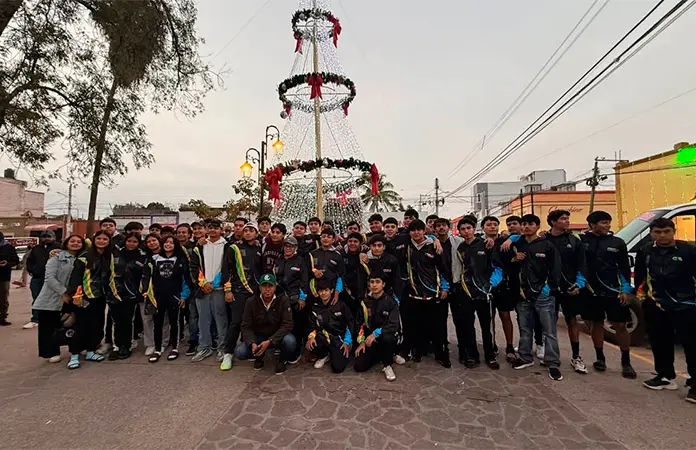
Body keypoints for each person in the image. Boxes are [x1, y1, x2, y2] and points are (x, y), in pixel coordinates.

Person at [635, 217, 696, 403]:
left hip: (686, 305)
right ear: (651, 233)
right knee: (660, 342)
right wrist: (643, 299)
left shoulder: (688, 250)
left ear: (673, 232)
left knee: (691, 345)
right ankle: (665, 376)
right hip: (656, 305)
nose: (662, 236)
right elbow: (641, 277)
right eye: (657, 232)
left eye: (666, 232)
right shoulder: (645, 251)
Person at [581, 210, 636, 378]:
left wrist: (625, 290)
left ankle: (626, 362)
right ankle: (600, 358)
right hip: (591, 291)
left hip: (614, 291)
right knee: (596, 324)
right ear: (592, 225)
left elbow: (624, 268)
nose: (607, 226)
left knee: (620, 326)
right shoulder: (582, 241)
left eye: (608, 222)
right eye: (603, 222)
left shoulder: (617, 243)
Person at [510, 214, 563, 381]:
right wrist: (514, 259)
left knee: (549, 331)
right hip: (522, 295)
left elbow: (556, 269)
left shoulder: (547, 245)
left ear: (538, 226)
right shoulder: (516, 244)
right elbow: (507, 266)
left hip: (543, 295)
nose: (526, 227)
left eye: (531, 224)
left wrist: (548, 288)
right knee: (525, 329)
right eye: (524, 224)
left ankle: (552, 362)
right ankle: (525, 357)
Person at [66, 230, 120, 368]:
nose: (101, 241)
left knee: (96, 325)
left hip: (100, 297)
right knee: (79, 326)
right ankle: (74, 355)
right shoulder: (84, 257)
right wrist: (75, 295)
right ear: (94, 240)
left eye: (105, 239)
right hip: (83, 297)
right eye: (99, 238)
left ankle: (91, 350)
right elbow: (75, 278)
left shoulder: (109, 257)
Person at [544, 210, 589, 374]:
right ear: (553, 222)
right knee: (550, 323)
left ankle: (576, 357)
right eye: (563, 219)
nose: (567, 221)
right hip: (550, 289)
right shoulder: (544, 240)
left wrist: (579, 283)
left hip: (570, 287)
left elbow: (582, 264)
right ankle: (551, 357)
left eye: (567, 218)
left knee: (572, 321)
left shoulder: (574, 241)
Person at [454, 217, 500, 369]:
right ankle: (472, 356)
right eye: (463, 229)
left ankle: (490, 356)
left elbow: (497, 267)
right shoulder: (460, 248)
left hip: (484, 292)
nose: (466, 231)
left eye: (469, 228)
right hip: (466, 292)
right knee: (468, 326)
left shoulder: (486, 244)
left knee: (487, 326)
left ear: (474, 229)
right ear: (459, 232)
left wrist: (491, 285)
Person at [403, 219, 450, 367]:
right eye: (413, 230)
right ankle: (420, 351)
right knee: (418, 325)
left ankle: (441, 354)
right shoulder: (406, 246)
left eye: (419, 229)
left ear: (424, 231)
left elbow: (443, 269)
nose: (416, 232)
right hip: (414, 294)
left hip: (433, 293)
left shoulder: (434, 247)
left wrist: (445, 288)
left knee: (438, 326)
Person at [33, 235, 86, 363]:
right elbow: (49, 278)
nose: (75, 243)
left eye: (79, 242)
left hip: (74, 296)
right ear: (66, 243)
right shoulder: (56, 258)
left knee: (72, 324)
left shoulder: (83, 258)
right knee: (48, 325)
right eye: (72, 241)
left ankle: (76, 348)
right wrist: (63, 292)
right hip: (53, 295)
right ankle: (51, 352)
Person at [220, 222, 262, 370]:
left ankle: (249, 348)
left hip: (255, 292)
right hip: (238, 290)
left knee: (254, 322)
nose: (248, 233)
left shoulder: (259, 249)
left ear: (256, 233)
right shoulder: (234, 248)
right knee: (236, 322)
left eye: (251, 230)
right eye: (246, 230)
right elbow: (226, 269)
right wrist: (228, 290)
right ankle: (228, 353)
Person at [142, 235, 191, 362]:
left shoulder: (180, 260)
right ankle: (158, 349)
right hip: (158, 296)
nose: (168, 244)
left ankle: (175, 348)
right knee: (157, 323)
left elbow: (186, 279)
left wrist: (184, 296)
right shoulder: (154, 259)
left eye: (171, 242)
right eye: (166, 242)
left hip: (175, 296)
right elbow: (148, 277)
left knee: (174, 323)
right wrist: (147, 291)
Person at [235, 274, 295, 374]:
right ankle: (259, 356)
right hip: (259, 336)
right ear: (260, 287)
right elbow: (245, 326)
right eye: (264, 286)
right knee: (240, 352)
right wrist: (252, 343)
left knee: (290, 342)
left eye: (270, 286)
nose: (267, 289)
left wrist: (271, 341)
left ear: (275, 287)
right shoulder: (251, 302)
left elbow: (288, 324)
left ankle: (282, 360)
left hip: (277, 335)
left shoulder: (283, 300)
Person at [189, 219, 229, 362]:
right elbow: (194, 267)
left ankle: (222, 348)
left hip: (219, 289)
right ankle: (204, 347)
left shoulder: (228, 246)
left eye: (216, 228)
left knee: (221, 320)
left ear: (221, 230)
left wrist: (216, 283)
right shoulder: (199, 247)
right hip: (203, 289)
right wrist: (203, 283)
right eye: (210, 227)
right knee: (203, 320)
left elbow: (228, 267)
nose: (213, 230)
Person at [354, 273, 400, 381]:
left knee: (387, 338)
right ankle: (381, 355)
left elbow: (394, 325)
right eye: (372, 282)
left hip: (385, 336)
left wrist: (375, 334)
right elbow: (359, 324)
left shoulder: (391, 302)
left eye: (378, 282)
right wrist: (361, 341)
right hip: (370, 340)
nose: (374, 285)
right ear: (369, 285)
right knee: (359, 366)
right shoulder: (364, 302)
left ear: (383, 284)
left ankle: (387, 364)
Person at [109, 233, 147, 360]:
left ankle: (126, 346)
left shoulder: (142, 257)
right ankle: (116, 346)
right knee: (116, 321)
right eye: (129, 241)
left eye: (134, 242)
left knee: (128, 320)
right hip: (115, 292)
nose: (131, 244)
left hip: (131, 294)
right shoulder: (115, 254)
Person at [307, 279, 353, 373]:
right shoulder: (315, 307)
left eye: (326, 290)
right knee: (312, 343)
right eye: (321, 291)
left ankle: (336, 353)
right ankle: (324, 355)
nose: (323, 293)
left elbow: (350, 323)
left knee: (337, 368)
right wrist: (310, 337)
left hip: (340, 339)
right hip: (324, 337)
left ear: (331, 291)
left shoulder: (341, 305)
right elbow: (312, 325)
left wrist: (347, 342)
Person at [274, 236, 309, 358]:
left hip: (295, 298)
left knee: (297, 326)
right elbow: (274, 279)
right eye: (286, 246)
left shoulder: (300, 261)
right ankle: (280, 346)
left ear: (295, 248)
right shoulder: (278, 260)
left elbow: (304, 280)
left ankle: (296, 350)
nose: (288, 248)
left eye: (291, 246)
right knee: (281, 324)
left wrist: (302, 298)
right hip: (280, 299)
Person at [23, 230, 60, 329]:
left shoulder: (59, 248)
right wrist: (32, 270)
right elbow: (29, 261)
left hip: (54, 278)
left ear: (54, 237)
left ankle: (53, 319)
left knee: (53, 299)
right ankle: (35, 319)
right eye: (44, 236)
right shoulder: (36, 249)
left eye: (49, 236)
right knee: (37, 298)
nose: (46, 238)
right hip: (38, 277)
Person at [140, 234, 170, 355]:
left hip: (163, 292)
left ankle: (163, 342)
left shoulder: (167, 255)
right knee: (147, 319)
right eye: (149, 242)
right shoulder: (145, 257)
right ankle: (150, 343)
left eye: (154, 240)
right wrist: (144, 289)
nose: (152, 243)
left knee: (163, 319)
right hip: (146, 292)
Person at [308, 228, 345, 306]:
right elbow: (307, 271)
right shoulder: (312, 254)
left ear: (333, 240)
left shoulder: (337, 255)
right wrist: (315, 272)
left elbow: (341, 276)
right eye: (323, 236)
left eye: (329, 237)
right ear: (320, 238)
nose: (325, 239)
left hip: (331, 291)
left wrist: (337, 293)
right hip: (315, 291)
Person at [341, 232, 368, 315]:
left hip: (362, 293)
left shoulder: (365, 256)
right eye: (350, 241)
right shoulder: (342, 255)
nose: (352, 243)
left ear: (360, 243)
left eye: (355, 241)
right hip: (346, 293)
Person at [0, 232, 19, 326]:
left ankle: (2, 317)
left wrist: (7, 263)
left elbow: (15, 260)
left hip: (4, 276)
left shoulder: (8, 247)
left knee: (3, 298)